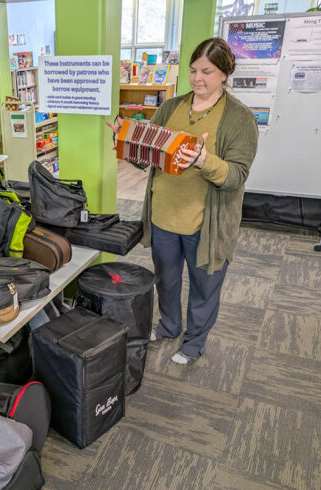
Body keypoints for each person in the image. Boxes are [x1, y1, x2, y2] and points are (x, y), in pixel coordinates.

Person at [107, 38, 258, 365]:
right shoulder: (170, 108)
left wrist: (203, 160)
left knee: (205, 286)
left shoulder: (240, 118)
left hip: (206, 224)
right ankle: (169, 326)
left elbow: (237, 175)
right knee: (166, 279)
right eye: (193, 70)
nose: (197, 78)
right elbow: (146, 158)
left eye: (207, 71)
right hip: (164, 215)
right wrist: (125, 141)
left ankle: (194, 342)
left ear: (224, 74)